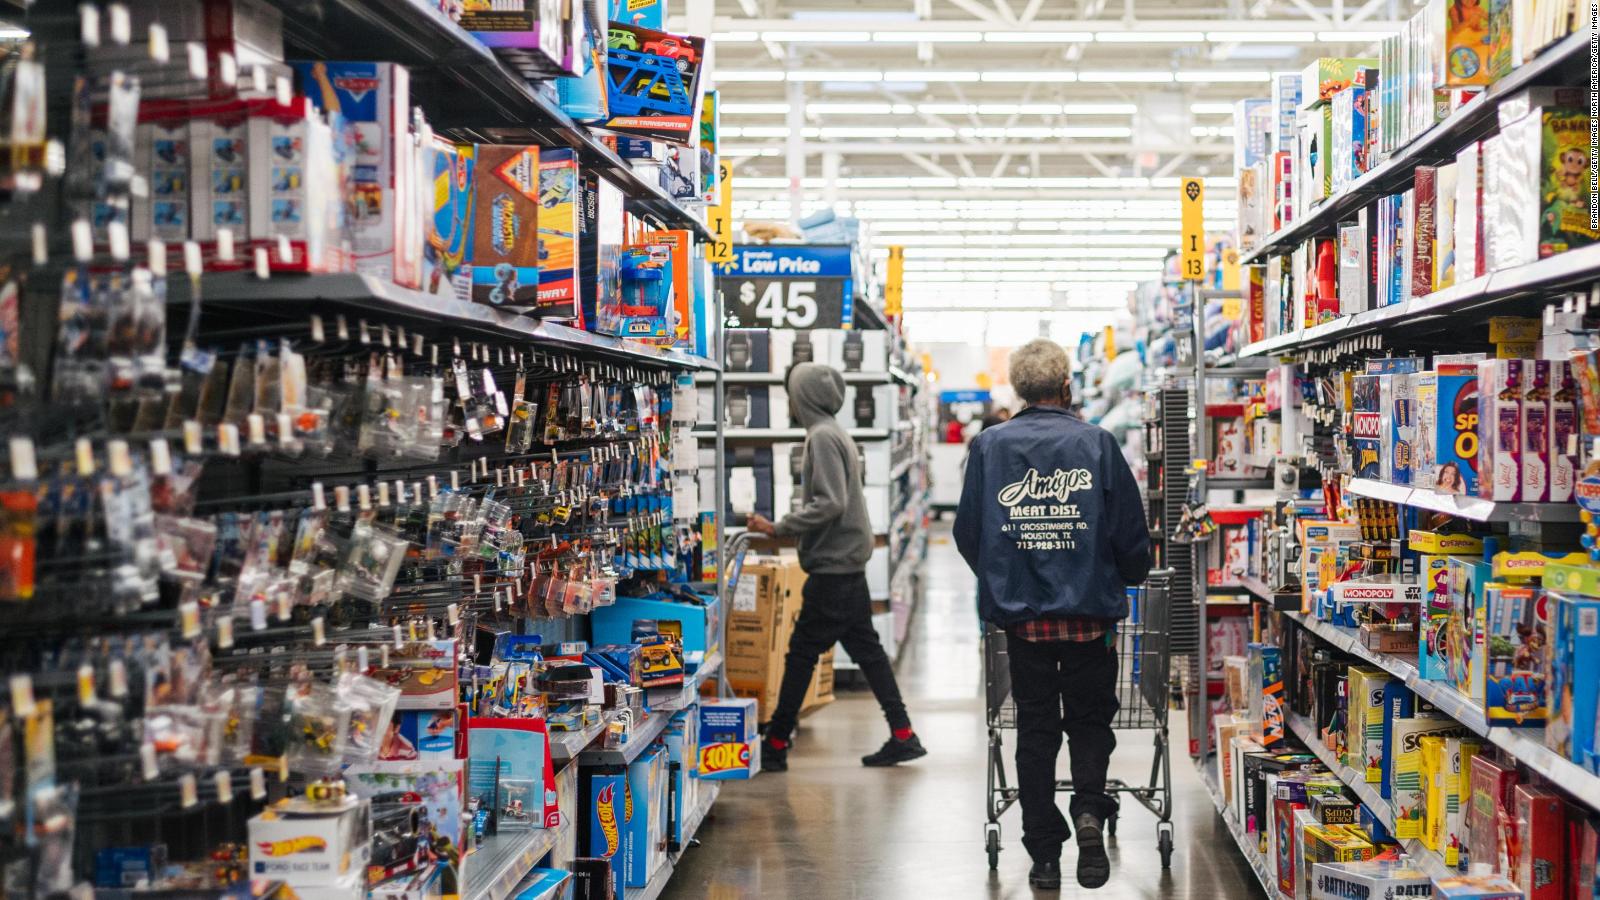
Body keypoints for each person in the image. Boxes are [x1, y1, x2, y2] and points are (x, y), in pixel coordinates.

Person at [953, 339, 1152, 892]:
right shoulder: (1098, 444)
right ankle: (1089, 811)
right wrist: (1126, 575)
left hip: (1023, 624)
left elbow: (968, 532)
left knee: (1035, 732)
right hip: (1089, 619)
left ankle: (1043, 851)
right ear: (1067, 386)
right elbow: (1129, 534)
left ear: (1018, 391)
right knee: (1090, 723)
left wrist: (1003, 576)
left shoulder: (991, 447)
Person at [748, 362, 925, 772]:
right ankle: (903, 735)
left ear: (804, 397)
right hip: (845, 565)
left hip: (833, 569)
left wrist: (778, 528)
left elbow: (830, 503)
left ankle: (775, 743)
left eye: (793, 393)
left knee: (801, 654)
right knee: (867, 653)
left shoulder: (823, 437)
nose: (789, 401)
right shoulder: (832, 433)